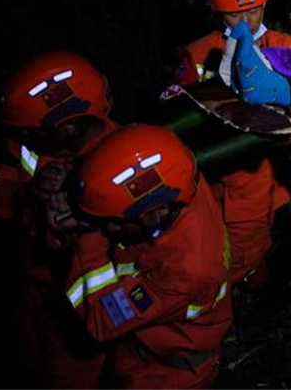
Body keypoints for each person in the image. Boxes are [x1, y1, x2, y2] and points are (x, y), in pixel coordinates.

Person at [0, 51, 119, 388]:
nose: (20, 138)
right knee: (23, 362)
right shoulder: (27, 147)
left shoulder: (121, 162)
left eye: (29, 131)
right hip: (27, 290)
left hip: (73, 309)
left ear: (66, 126)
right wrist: (23, 194)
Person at [63, 124, 232, 388]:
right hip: (141, 349)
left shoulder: (185, 271)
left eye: (113, 222)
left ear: (155, 213)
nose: (108, 229)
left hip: (163, 376)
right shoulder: (178, 181)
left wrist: (86, 236)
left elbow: (101, 320)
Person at [173, 0, 291, 291]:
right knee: (221, 247)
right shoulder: (199, 54)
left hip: (264, 170)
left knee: (253, 242)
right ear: (216, 13)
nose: (246, 21)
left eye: (254, 11)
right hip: (215, 170)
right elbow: (172, 112)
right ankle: (229, 300)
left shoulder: (287, 47)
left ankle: (255, 284)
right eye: (234, 15)